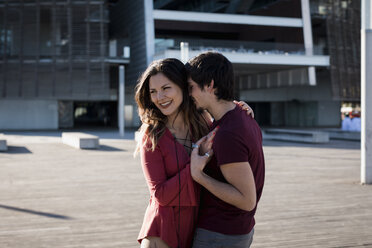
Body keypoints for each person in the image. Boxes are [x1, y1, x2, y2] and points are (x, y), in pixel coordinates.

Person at [135, 58, 254, 248]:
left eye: (166, 88)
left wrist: (240, 110)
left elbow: (225, 119)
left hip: (197, 227)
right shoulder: (152, 135)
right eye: (153, 92)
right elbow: (160, 195)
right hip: (163, 232)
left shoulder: (201, 122)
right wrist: (194, 167)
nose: (160, 97)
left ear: (182, 87)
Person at [186, 52, 265, 248]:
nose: (189, 94)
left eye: (191, 87)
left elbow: (247, 200)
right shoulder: (241, 116)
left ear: (210, 85)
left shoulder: (228, 133)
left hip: (220, 234)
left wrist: (199, 175)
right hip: (232, 231)